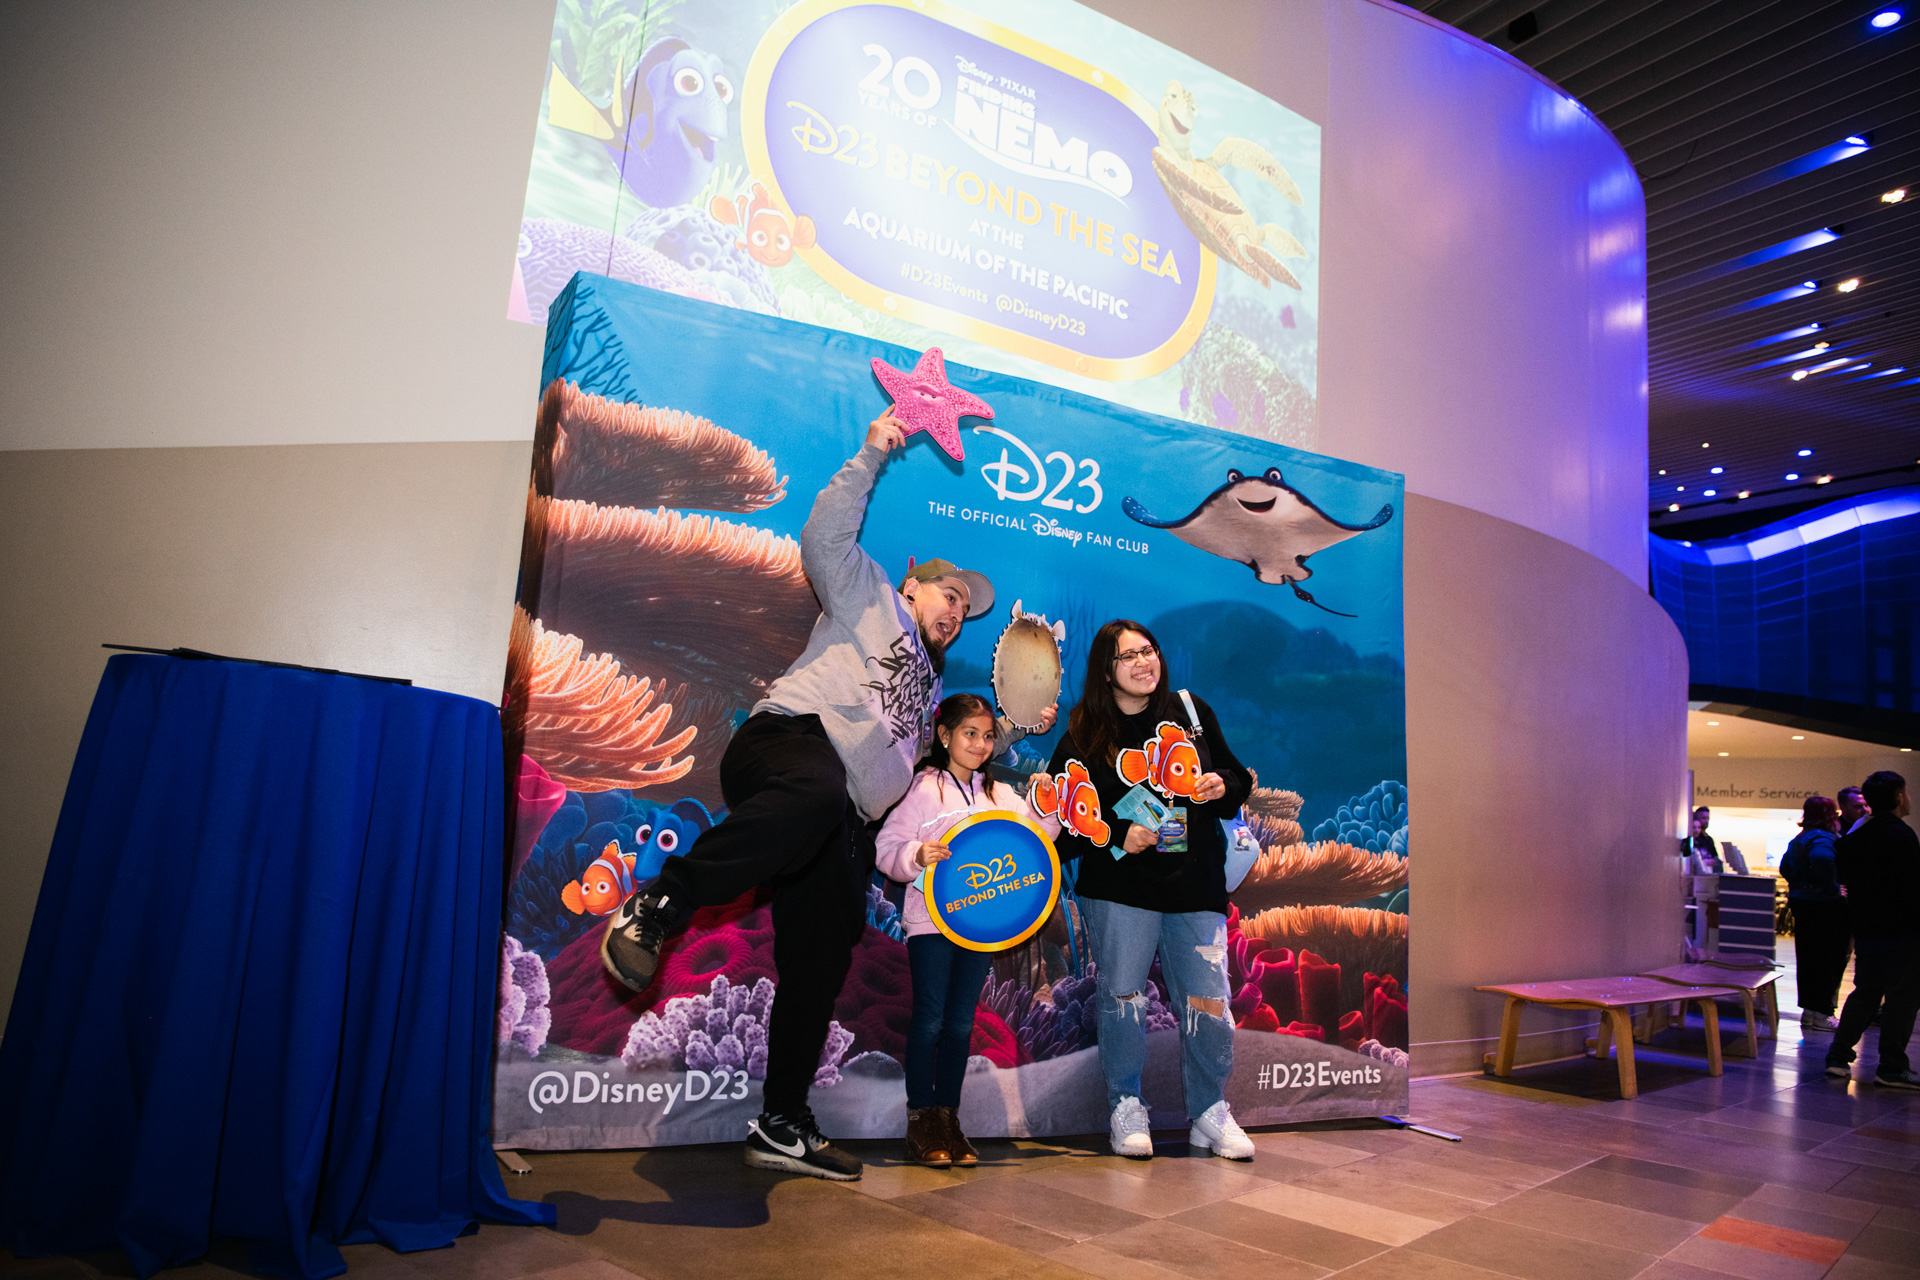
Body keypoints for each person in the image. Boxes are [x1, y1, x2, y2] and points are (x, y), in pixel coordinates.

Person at [598, 409, 997, 1181]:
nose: (955, 609)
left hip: (842, 817)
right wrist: (875, 451)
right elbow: (823, 539)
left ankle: (782, 1120)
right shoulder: (871, 595)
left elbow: (915, 763)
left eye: (966, 608)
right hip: (794, 748)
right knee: (814, 794)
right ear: (914, 583)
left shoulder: (931, 683)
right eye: (948, 592)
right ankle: (660, 903)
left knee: (822, 957)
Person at [1044, 619, 1255, 1160]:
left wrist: (1220, 785)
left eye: (1150, 650)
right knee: (1122, 1001)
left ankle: (1209, 1111)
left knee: (1208, 1002)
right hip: (1120, 888)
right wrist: (1119, 834)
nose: (1144, 662)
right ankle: (1124, 1106)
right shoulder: (1085, 730)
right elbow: (1063, 819)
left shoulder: (1190, 711)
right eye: (1128, 656)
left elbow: (1237, 779)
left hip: (1195, 886)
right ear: (1106, 672)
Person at [875, 693, 1058, 1169]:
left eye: (986, 736)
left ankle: (949, 1119)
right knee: (930, 1020)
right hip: (931, 925)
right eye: (969, 734)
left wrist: (1050, 804)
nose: (979, 744)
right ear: (945, 736)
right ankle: (921, 1122)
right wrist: (916, 854)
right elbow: (886, 847)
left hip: (981, 927)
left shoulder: (999, 794)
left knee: (959, 1025)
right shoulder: (921, 788)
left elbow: (1035, 840)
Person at [1825, 770, 1920, 1089]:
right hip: (1902, 931)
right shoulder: (1901, 835)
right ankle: (1892, 1065)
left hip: (1867, 929)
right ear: (1897, 797)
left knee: (1865, 991)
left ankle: (1838, 1056)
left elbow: (1846, 883)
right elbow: (1911, 888)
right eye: (1905, 792)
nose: (1908, 797)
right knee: (1903, 997)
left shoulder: (1854, 839)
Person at [1780, 795, 1848, 1033]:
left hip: (1803, 905)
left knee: (1808, 960)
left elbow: (1785, 867)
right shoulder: (1823, 838)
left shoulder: (1800, 838)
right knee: (1828, 960)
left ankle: (1809, 1013)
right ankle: (1822, 1014)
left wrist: (1801, 884)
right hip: (1824, 908)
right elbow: (1822, 858)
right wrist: (1831, 889)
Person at [1683, 806, 1722, 874]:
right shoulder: (1689, 839)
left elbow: (1716, 859)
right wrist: (1704, 862)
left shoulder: (1708, 839)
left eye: (1708, 818)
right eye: (1704, 818)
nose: (1706, 821)